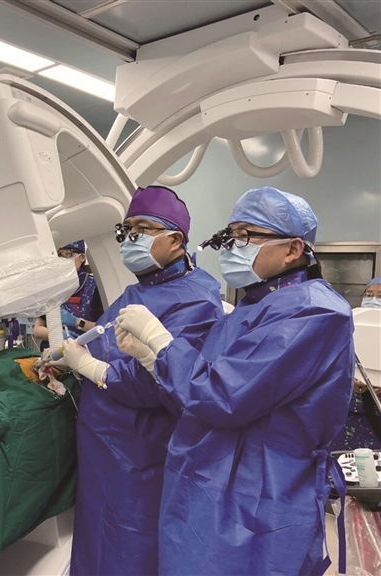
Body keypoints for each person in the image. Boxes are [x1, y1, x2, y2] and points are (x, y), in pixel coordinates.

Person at [116, 186, 354, 575]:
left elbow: (225, 396)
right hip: (207, 478)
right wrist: (152, 361)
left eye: (244, 236)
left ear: (293, 249)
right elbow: (196, 398)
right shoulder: (250, 309)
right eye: (230, 235)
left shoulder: (315, 312)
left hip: (260, 491)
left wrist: (162, 344)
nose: (230, 247)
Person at [45, 186, 224, 576]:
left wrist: (89, 368)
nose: (130, 239)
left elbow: (161, 381)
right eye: (126, 230)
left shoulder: (197, 300)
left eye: (142, 229)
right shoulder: (136, 291)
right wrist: (68, 361)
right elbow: (106, 345)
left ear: (175, 239)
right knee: (96, 540)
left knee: (131, 545)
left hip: (142, 450)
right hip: (103, 445)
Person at [330, 277, 381, 451]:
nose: (373, 300)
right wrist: (349, 380)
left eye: (380, 296)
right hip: (349, 414)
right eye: (369, 295)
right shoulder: (346, 327)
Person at [33, 241, 103, 348]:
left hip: (83, 351)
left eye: (67, 254)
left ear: (82, 257)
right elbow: (37, 330)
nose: (62, 259)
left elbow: (103, 327)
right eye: (59, 254)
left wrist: (77, 322)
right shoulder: (52, 288)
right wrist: (61, 336)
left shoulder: (93, 288)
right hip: (52, 350)